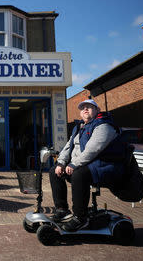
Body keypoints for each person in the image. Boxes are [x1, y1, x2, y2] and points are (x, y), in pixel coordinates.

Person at [49, 99, 124, 231]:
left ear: (97, 110)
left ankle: (80, 217)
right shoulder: (79, 128)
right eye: (83, 107)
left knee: (79, 175)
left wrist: (73, 165)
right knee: (54, 171)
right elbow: (68, 148)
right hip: (86, 165)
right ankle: (62, 210)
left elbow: (92, 150)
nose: (85, 109)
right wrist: (61, 163)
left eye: (89, 107)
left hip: (106, 166)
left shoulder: (104, 126)